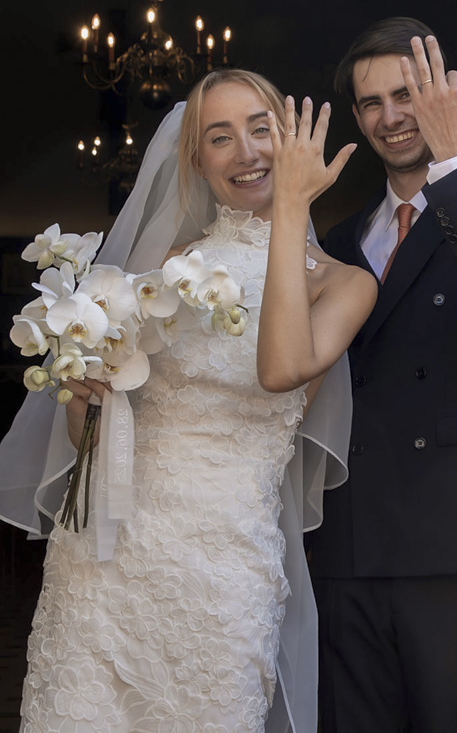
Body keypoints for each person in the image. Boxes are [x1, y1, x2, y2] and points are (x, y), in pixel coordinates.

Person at [1, 69, 376, 732]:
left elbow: (281, 368)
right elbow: (91, 424)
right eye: (220, 137)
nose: (247, 152)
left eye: (262, 130)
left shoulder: (342, 285)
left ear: (290, 142)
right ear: (196, 160)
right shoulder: (158, 272)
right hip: (109, 552)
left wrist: (289, 212)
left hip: (225, 563)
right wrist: (81, 395)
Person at [308, 17, 457, 733]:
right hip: (346, 539)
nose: (389, 116)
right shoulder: (335, 241)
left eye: (405, 94)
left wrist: (453, 160)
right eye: (370, 102)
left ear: (445, 96)